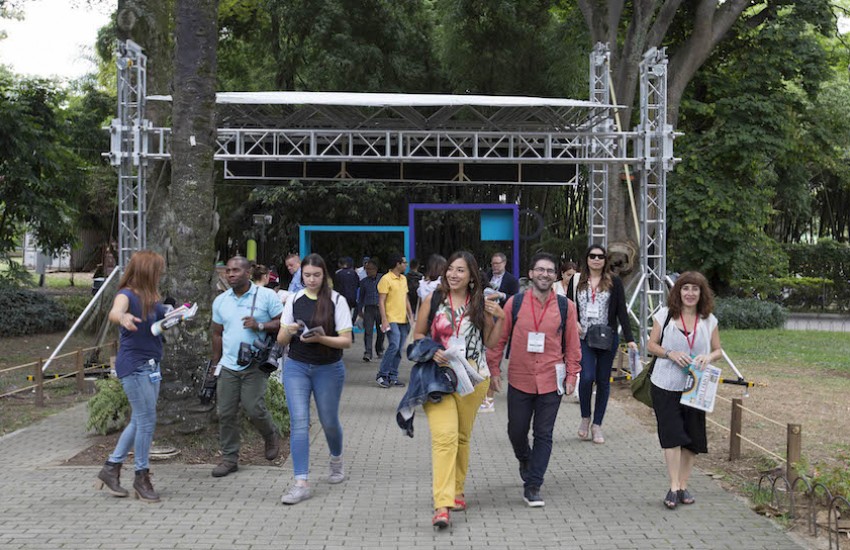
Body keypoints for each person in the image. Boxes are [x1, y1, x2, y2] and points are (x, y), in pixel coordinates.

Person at [413, 251, 505, 529]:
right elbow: (417, 335)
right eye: (451, 269)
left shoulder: (480, 304)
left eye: (460, 270)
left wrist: (501, 318)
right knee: (445, 438)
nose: (453, 274)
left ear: (472, 276)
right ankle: (442, 504)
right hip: (437, 377)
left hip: (473, 379)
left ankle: (457, 489)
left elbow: (490, 343)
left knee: (462, 437)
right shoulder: (434, 299)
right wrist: (433, 350)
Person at [486, 252, 581, 507]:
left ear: (555, 276)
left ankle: (533, 484)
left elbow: (572, 345)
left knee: (544, 433)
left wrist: (572, 375)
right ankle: (525, 458)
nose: (545, 274)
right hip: (520, 378)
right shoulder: (514, 304)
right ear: (531, 273)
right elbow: (498, 340)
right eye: (540, 269)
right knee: (516, 430)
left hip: (552, 379)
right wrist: (494, 371)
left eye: (550, 271)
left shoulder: (566, 307)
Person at [276, 253, 353, 504]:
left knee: (329, 421)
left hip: (328, 368)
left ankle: (336, 458)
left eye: (316, 275)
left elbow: (346, 340)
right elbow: (280, 340)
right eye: (306, 275)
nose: (311, 280)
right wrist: (289, 330)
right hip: (296, 366)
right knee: (299, 422)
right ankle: (301, 482)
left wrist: (320, 338)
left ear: (324, 275)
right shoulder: (294, 299)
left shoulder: (336, 300)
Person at [96, 250, 168, 503]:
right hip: (135, 366)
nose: (160, 274)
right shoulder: (125, 294)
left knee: (139, 420)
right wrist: (122, 317)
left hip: (152, 365)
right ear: (147, 271)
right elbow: (115, 312)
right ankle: (141, 476)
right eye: (157, 270)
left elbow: (156, 325)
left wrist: (174, 316)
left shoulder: (152, 297)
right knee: (147, 420)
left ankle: (110, 468)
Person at [647, 271, 722, 510]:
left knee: (691, 439)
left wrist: (707, 356)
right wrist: (669, 353)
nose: (690, 293)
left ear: (702, 293)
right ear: (678, 291)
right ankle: (673, 486)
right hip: (665, 383)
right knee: (672, 436)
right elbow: (651, 345)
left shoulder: (708, 320)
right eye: (685, 288)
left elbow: (718, 350)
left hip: (695, 386)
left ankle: (683, 483)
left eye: (695, 289)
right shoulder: (665, 315)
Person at [210, 256, 283, 478]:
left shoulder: (267, 296)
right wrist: (215, 363)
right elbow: (216, 333)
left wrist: (260, 324)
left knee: (253, 407)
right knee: (226, 413)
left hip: (255, 364)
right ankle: (230, 458)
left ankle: (270, 434)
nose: (230, 274)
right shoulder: (221, 301)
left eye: (236, 270)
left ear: (248, 272)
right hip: (229, 365)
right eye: (228, 271)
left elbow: (283, 323)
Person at [568, 244, 637, 444]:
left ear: (605, 260)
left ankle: (597, 424)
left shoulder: (614, 281)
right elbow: (568, 306)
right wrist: (574, 323)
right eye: (592, 256)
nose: (596, 259)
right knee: (587, 377)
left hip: (607, 337)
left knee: (603, 380)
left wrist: (630, 339)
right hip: (584, 337)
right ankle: (585, 418)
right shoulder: (576, 280)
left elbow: (621, 312)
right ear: (587, 258)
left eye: (600, 256)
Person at [480, 252, 521, 413]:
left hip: (501, 316)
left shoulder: (511, 280)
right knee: (487, 351)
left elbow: (515, 297)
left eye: (498, 263)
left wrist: (500, 295)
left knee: (493, 351)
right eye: (493, 263)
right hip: (484, 316)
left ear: (504, 263)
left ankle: (489, 392)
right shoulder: (487, 275)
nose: (495, 266)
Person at [375, 253, 413, 388]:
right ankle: (382, 374)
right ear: (398, 264)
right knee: (394, 346)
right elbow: (381, 300)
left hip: (403, 319)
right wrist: (384, 320)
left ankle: (393, 377)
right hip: (391, 318)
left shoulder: (403, 279)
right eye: (404, 262)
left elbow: (405, 298)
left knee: (398, 349)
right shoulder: (386, 279)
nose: (406, 265)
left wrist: (411, 316)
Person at [354, 259, 384, 362]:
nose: (367, 271)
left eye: (370, 269)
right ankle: (368, 352)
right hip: (369, 309)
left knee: (381, 331)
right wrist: (359, 310)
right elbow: (360, 297)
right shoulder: (363, 282)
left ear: (375, 269)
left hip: (381, 308)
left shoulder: (382, 279)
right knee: (368, 331)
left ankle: (379, 349)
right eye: (366, 269)